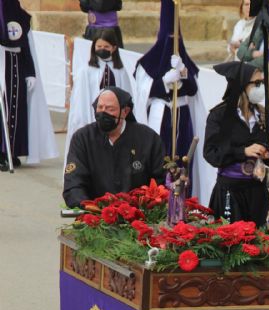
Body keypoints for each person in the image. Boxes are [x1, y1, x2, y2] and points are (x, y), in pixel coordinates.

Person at [134, 0, 210, 203]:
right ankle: (158, 199)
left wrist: (183, 72)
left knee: (183, 160)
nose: (171, 43)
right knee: (161, 159)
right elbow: (144, 92)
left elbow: (193, 90)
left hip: (182, 116)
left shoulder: (184, 61)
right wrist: (164, 82)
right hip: (160, 116)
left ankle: (183, 202)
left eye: (174, 38)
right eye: (167, 38)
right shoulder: (148, 63)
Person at [63, 87, 165, 208]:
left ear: (125, 112)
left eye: (110, 109)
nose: (103, 113)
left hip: (138, 215)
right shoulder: (82, 138)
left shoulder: (149, 139)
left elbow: (160, 181)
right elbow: (74, 182)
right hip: (94, 214)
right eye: (100, 108)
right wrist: (86, 206)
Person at [203, 61, 269, 226]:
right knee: (232, 244)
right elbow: (211, 153)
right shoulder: (220, 116)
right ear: (242, 85)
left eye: (262, 83)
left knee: (260, 244)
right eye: (257, 83)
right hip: (230, 192)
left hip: (257, 192)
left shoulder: (263, 115)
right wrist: (243, 151)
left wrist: (268, 154)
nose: (261, 87)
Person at [0, 0, 58, 171]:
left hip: (17, 68)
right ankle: (2, 152)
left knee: (18, 111)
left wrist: (30, 73)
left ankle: (14, 151)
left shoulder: (21, 18)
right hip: (3, 67)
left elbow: (26, 47)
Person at [64, 29, 133, 170]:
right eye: (99, 47)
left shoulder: (120, 70)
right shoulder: (86, 70)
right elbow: (80, 101)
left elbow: (127, 97)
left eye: (106, 47)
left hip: (114, 120)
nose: (102, 50)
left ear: (114, 48)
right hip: (93, 118)